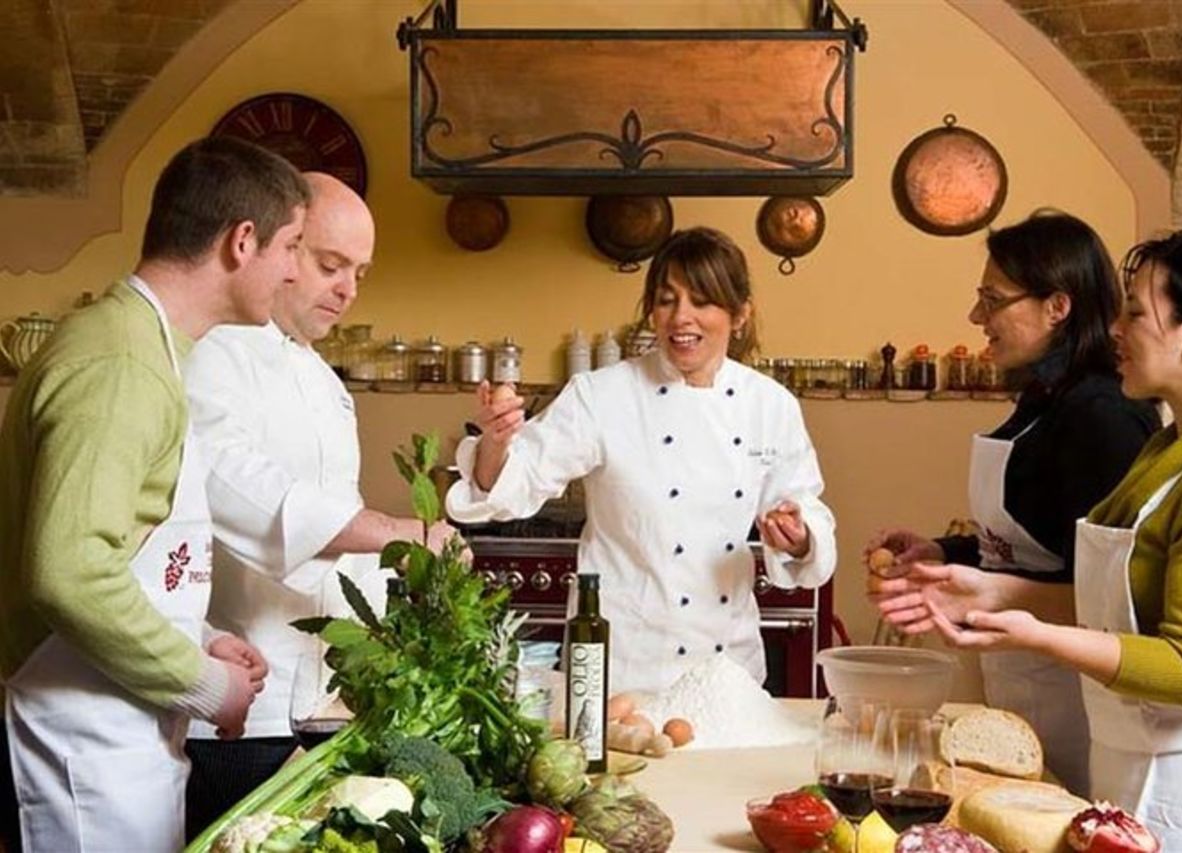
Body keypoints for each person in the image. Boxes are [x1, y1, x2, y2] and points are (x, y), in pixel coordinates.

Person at [912, 223, 1182, 850]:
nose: (1113, 327)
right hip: (1142, 771)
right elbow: (1122, 611)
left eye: (1135, 311)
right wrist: (997, 594)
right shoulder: (1172, 450)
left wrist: (1040, 636)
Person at [0, 136, 308, 852]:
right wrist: (204, 682)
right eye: (292, 246)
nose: (293, 271)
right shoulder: (120, 363)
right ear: (242, 241)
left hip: (123, 734)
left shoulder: (148, 347)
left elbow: (125, 544)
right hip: (84, 743)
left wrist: (198, 635)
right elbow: (68, 570)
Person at [446, 226, 837, 694]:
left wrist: (797, 536)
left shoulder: (769, 405)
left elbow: (803, 506)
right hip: (621, 668)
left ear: (739, 314)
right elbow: (513, 483)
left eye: (702, 300)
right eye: (667, 299)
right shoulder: (602, 394)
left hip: (726, 671)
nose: (680, 318)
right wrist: (495, 442)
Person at [181, 172, 448, 838]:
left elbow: (337, 534)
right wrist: (396, 530)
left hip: (318, 706)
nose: (349, 288)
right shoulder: (215, 352)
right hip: (239, 704)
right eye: (332, 264)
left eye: (360, 271)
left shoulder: (324, 381)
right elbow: (238, 488)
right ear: (283, 244)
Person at [865, 211, 1159, 794]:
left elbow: (1111, 593)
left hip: (1078, 699)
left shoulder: (1104, 416)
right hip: (1023, 679)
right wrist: (944, 550)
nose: (978, 317)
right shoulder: (1043, 398)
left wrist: (981, 592)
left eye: (992, 300)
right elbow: (1037, 540)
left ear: (1058, 306)